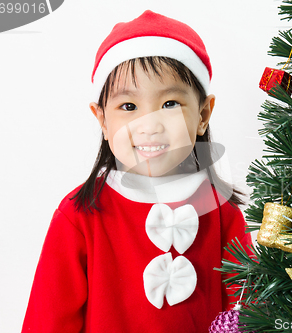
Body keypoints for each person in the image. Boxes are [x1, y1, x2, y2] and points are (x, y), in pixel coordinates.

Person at [21, 10, 252, 332]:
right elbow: (47, 321)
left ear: (203, 114)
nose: (150, 126)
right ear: (102, 120)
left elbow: (252, 313)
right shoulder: (79, 215)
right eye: (128, 107)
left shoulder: (223, 212)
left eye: (170, 103)